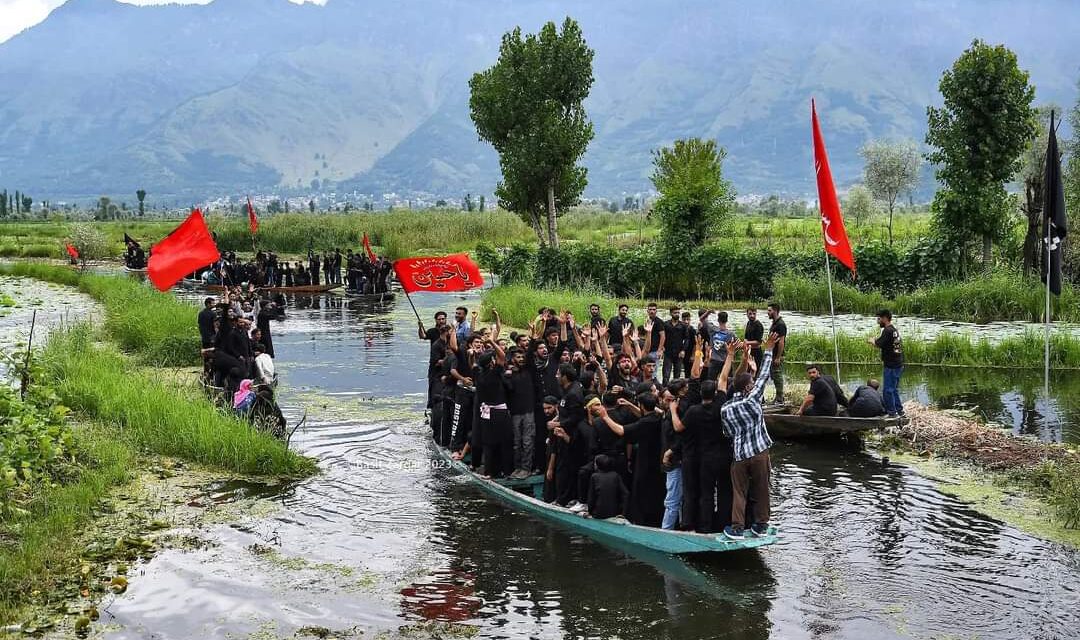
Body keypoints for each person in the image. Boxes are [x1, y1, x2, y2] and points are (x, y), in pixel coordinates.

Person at [720, 332, 779, 540]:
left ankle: (737, 528)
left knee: (739, 492)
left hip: (739, 457)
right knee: (762, 490)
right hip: (759, 453)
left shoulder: (725, 408)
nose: (754, 385)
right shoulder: (752, 399)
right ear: (747, 388)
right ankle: (760, 525)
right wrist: (769, 350)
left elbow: (727, 433)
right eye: (751, 383)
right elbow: (764, 376)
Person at [593, 392, 665, 527]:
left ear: (642, 406)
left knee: (642, 491)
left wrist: (605, 417)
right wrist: (630, 405)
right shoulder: (656, 417)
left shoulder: (645, 423)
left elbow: (621, 430)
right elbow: (643, 414)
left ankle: (643, 521)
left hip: (646, 461)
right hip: (657, 460)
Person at [869, 309, 904, 417]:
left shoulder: (887, 331)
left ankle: (892, 413)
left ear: (884, 318)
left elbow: (878, 344)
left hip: (891, 366)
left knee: (887, 390)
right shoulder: (894, 330)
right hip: (898, 365)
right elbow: (890, 345)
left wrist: (872, 341)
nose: (878, 321)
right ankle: (899, 411)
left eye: (879, 318)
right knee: (894, 390)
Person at [587, 454, 628, 520]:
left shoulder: (594, 476)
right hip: (614, 513)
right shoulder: (615, 475)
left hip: (598, 513)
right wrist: (623, 513)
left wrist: (589, 511)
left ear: (597, 465)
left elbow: (591, 497)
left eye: (595, 463)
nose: (594, 464)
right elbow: (626, 494)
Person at [766, 303, 787, 402]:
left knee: (777, 375)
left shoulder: (780, 324)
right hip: (772, 353)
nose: (768, 312)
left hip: (777, 355)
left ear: (775, 311)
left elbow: (781, 342)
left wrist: (778, 357)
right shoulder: (775, 323)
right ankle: (778, 397)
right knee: (774, 375)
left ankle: (780, 398)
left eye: (769, 310)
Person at [662, 307, 686, 384]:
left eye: (678, 313)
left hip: (679, 353)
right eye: (675, 313)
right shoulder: (666, 324)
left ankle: (676, 389)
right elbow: (662, 337)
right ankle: (664, 389)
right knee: (666, 375)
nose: (677, 314)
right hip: (668, 353)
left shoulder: (683, 325)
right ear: (671, 313)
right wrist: (662, 347)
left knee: (677, 375)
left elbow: (686, 339)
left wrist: (683, 350)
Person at [744, 308, 764, 372]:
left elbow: (759, 342)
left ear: (756, 314)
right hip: (749, 351)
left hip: (757, 352)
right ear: (747, 314)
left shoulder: (758, 325)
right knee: (747, 371)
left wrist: (747, 343)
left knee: (755, 372)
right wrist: (745, 343)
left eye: (754, 314)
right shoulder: (748, 323)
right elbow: (746, 337)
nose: (752, 315)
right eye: (750, 314)